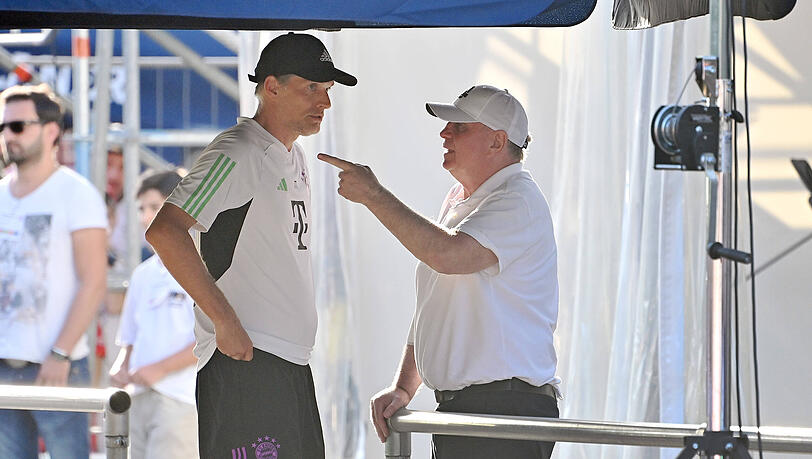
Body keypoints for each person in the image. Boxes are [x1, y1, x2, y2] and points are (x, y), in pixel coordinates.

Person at [319, 85, 561, 458]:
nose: (444, 133)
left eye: (460, 127)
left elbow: (448, 255)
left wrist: (374, 195)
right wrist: (404, 387)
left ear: (498, 142)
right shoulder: (461, 198)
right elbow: (434, 307)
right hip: (475, 411)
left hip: (503, 412)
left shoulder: (517, 199)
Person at [145, 32, 357, 459]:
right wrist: (225, 322)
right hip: (247, 365)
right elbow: (165, 232)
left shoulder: (290, 154)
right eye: (312, 88)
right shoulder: (237, 151)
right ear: (272, 87)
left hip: (286, 364)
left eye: (328, 90)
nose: (325, 103)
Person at [0, 83, 108, 458]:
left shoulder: (77, 194)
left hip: (56, 364)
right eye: (3, 127)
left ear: (50, 132)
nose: (7, 136)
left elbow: (94, 281)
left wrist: (61, 353)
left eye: (17, 127)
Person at [108, 170, 199, 459]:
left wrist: (160, 369)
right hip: (138, 397)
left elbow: (211, 339)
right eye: (140, 209)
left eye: (155, 207)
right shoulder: (142, 274)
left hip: (180, 399)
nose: (145, 217)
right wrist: (121, 367)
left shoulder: (202, 267)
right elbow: (129, 338)